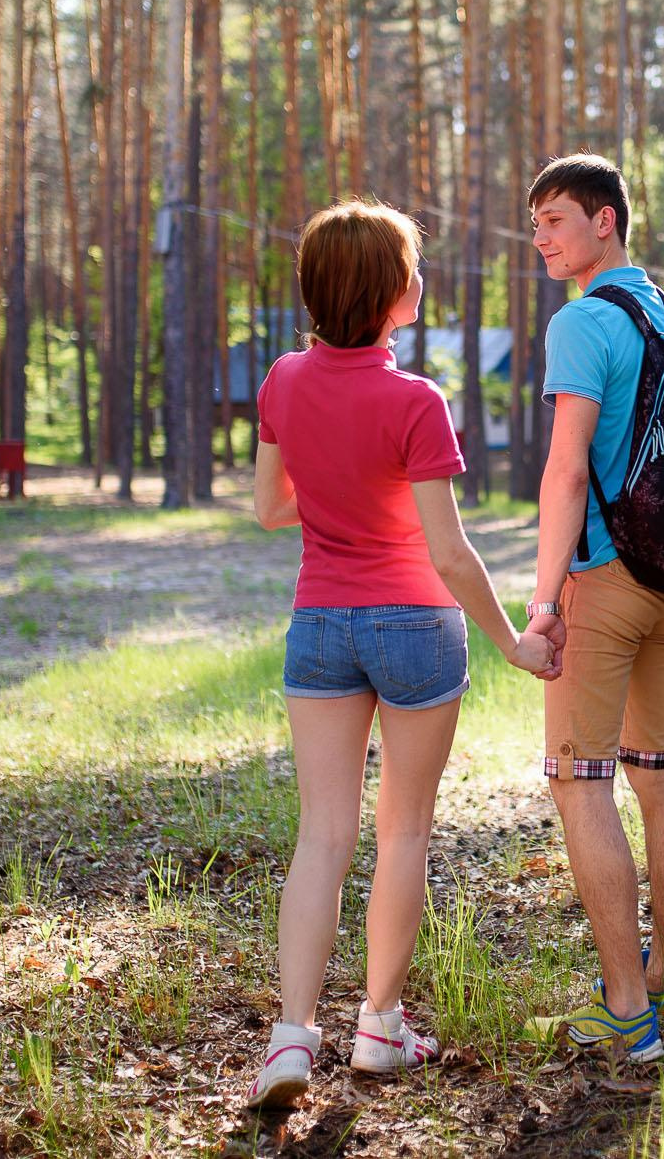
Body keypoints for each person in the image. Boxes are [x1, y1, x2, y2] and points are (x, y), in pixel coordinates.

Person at [244, 199, 559, 1109]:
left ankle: (289, 1041)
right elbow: (451, 552)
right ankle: (379, 1025)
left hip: (320, 626)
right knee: (403, 832)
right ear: (389, 293)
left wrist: (339, 493)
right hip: (417, 626)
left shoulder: (282, 381)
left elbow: (271, 509)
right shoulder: (416, 400)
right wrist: (513, 643)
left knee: (322, 836)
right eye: (413, 268)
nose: (422, 280)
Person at [522, 155, 664, 1064]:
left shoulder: (583, 321)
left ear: (607, 220)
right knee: (657, 774)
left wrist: (547, 595)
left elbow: (564, 470)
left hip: (605, 578)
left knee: (580, 782)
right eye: (535, 226)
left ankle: (627, 1010)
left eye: (557, 219)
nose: (544, 239)